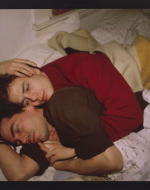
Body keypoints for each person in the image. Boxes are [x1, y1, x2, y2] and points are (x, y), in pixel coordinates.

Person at [0, 52, 143, 180]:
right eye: (25, 101)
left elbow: (130, 115)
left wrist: (75, 149)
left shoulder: (75, 72)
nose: (34, 97)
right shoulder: (39, 125)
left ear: (33, 70)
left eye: (27, 87)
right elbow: (18, 173)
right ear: (25, 106)